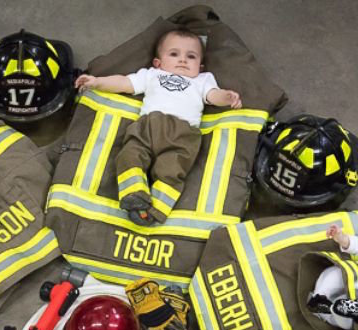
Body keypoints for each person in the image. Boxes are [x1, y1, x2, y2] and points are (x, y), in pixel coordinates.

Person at [74, 28, 242, 225]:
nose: (183, 60)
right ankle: (134, 194)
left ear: (200, 66)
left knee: (172, 170)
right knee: (129, 155)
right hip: (147, 127)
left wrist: (226, 97)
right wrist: (97, 82)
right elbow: (124, 82)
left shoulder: (202, 80)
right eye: (174, 54)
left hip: (182, 135)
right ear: (158, 62)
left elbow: (213, 95)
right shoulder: (153, 75)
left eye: (191, 56)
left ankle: (157, 210)